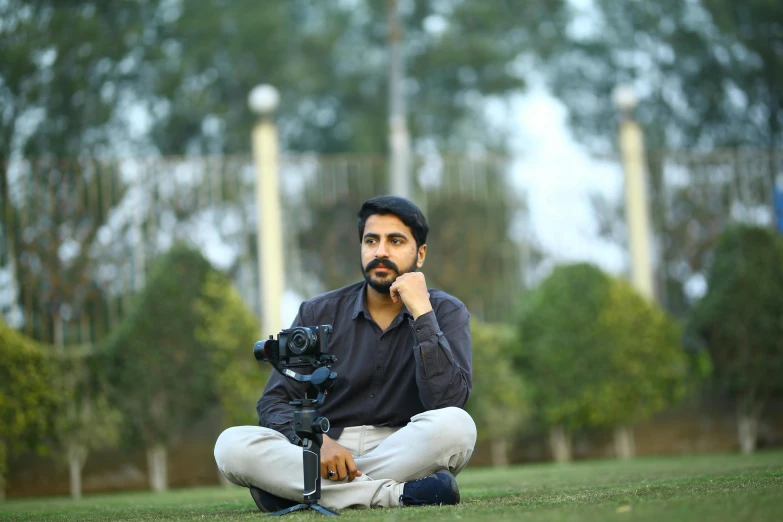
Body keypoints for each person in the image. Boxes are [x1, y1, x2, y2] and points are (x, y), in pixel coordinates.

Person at [214, 195, 475, 511]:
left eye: (395, 241)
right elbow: (274, 401)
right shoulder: (318, 312)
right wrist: (317, 444)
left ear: (419, 254)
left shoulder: (446, 312)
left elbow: (446, 402)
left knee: (457, 425)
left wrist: (421, 312)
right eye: (371, 240)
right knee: (231, 446)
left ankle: (298, 490)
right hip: (323, 449)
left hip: (405, 448)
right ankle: (399, 495)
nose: (380, 251)